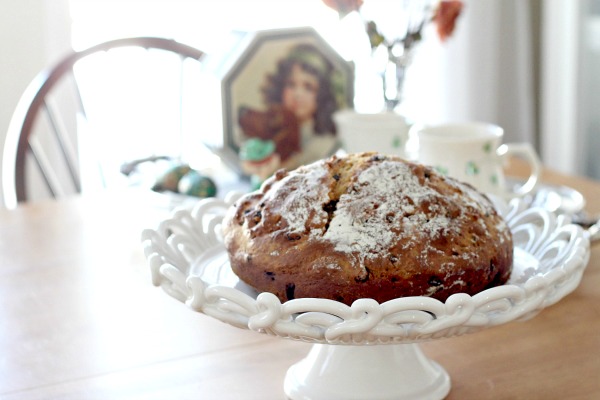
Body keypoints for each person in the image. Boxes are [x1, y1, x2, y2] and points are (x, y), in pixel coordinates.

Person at [239, 42, 344, 174]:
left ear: (322, 95)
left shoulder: (322, 143)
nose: (297, 94)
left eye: (308, 87)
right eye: (291, 84)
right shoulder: (273, 131)